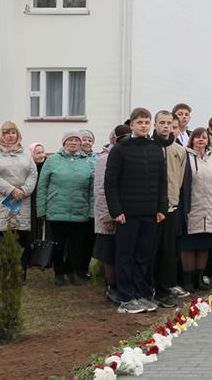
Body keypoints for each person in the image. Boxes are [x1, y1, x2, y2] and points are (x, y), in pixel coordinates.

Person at [105, 108, 168, 314]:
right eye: (139, 122)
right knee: (125, 256)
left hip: (150, 213)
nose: (143, 125)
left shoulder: (155, 148)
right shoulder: (120, 149)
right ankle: (126, 297)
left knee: (144, 255)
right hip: (127, 214)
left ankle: (142, 294)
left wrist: (161, 208)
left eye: (146, 122)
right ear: (131, 124)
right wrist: (116, 210)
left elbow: (162, 181)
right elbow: (110, 183)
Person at [0, 121, 37, 285]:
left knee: (21, 239)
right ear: (1, 135)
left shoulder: (26, 153)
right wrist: (12, 190)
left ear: (18, 135)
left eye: (13, 133)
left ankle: (18, 274)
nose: (10, 136)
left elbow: (32, 174)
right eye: (6, 133)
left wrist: (24, 191)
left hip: (22, 201)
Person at [37, 131, 95, 286]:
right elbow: (42, 186)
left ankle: (73, 272)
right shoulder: (52, 161)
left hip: (79, 210)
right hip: (56, 211)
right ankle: (59, 273)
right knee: (58, 244)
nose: (74, 143)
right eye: (70, 140)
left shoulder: (89, 162)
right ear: (64, 143)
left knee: (77, 245)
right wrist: (41, 210)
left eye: (77, 140)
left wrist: (92, 211)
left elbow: (92, 190)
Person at [177, 127, 212, 293]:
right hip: (192, 207)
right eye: (197, 137)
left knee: (204, 245)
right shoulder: (186, 157)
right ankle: (188, 280)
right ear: (192, 139)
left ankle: (199, 279)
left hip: (211, 208)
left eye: (204, 137)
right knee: (189, 246)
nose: (201, 140)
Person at [153, 110, 189, 305]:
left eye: (170, 123)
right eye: (162, 123)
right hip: (151, 208)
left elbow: (180, 178)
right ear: (155, 125)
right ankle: (150, 286)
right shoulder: (151, 147)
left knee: (168, 251)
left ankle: (165, 287)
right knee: (152, 250)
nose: (166, 126)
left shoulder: (179, 150)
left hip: (171, 207)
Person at [94, 125, 131, 303]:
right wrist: (107, 216)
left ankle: (123, 285)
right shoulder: (104, 158)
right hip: (108, 214)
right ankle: (111, 286)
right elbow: (101, 190)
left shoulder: (130, 154)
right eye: (121, 137)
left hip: (126, 213)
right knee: (109, 253)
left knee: (122, 252)